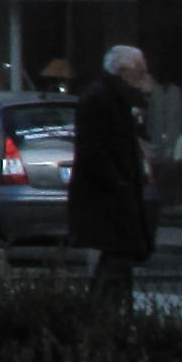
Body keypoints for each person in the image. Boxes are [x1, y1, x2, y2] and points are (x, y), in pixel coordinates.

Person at [67, 44, 160, 306]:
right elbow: (93, 151)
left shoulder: (117, 99)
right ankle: (105, 312)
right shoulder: (100, 100)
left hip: (118, 194)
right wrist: (119, 184)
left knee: (119, 257)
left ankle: (110, 311)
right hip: (109, 199)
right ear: (123, 72)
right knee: (117, 256)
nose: (143, 78)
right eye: (139, 72)